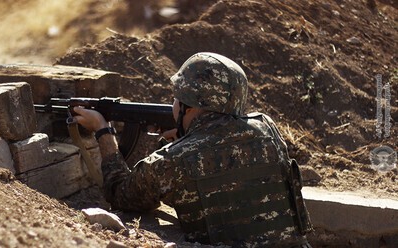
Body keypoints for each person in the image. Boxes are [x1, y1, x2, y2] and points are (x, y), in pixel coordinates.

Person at [73, 52, 313, 247]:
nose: (173, 104)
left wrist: (103, 130)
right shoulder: (268, 128)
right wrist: (187, 138)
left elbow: (120, 194)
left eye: (176, 98)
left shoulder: (173, 160)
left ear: (188, 106)